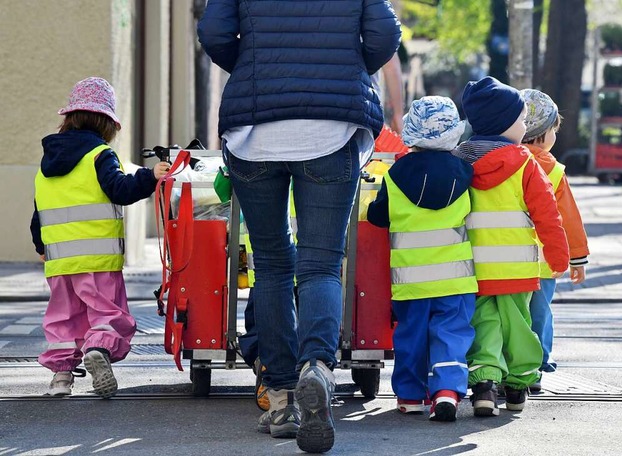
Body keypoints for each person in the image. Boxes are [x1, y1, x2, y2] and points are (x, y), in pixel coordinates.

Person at [197, 1, 401, 452]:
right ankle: (319, 370)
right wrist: (347, 68)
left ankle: (284, 395)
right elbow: (385, 33)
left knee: (271, 266)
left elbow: (213, 33)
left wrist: (251, 68)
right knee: (321, 265)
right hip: (333, 128)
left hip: (253, 130)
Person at [30, 77, 170, 398]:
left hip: (58, 262)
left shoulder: (47, 163)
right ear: (107, 123)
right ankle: (98, 350)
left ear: (69, 118)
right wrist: (151, 176)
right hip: (98, 259)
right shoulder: (100, 154)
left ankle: (61, 379)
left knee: (63, 320)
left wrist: (41, 246)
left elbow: (39, 211)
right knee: (107, 314)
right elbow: (119, 189)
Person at [453, 76, 570, 416]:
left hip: (472, 270)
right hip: (517, 270)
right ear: (505, 125)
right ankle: (518, 385)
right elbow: (547, 215)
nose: (525, 125)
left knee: (484, 327)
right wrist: (558, 255)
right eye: (521, 119)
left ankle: (485, 386)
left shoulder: (460, 162)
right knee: (518, 326)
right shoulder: (525, 165)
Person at [367, 96, 477, 422]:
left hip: (411, 281)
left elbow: (378, 216)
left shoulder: (395, 174)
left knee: (410, 336)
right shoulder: (465, 174)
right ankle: (447, 391)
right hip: (455, 278)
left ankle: (410, 396)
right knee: (451, 334)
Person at [520, 88, 589, 390]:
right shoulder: (553, 170)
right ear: (545, 134)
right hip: (546, 262)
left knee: (513, 314)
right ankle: (538, 362)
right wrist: (577, 259)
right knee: (540, 313)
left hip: (506, 259)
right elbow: (568, 219)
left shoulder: (506, 163)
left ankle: (511, 363)